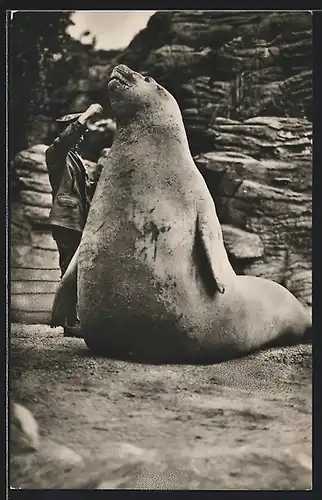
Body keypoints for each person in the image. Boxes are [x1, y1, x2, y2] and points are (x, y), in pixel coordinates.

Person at [46, 103, 103, 337]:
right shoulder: (56, 153)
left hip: (76, 220)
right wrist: (87, 114)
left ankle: (71, 319)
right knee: (69, 269)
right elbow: (66, 140)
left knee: (74, 270)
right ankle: (69, 322)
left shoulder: (74, 158)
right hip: (65, 220)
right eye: (78, 129)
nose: (83, 134)